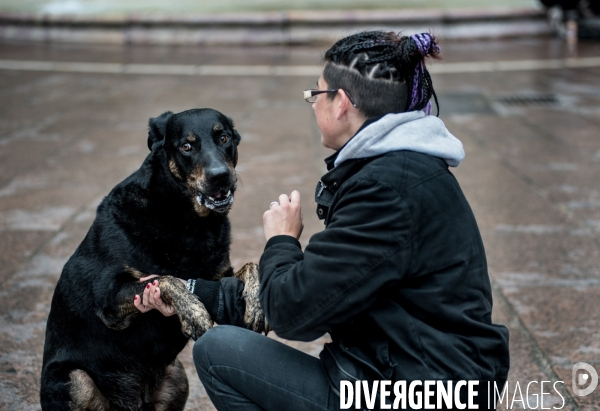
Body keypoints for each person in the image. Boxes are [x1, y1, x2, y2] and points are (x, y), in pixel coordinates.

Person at [135, 31, 510, 410]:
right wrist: (192, 291)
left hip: (422, 391)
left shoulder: (385, 191)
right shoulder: (397, 169)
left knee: (217, 351)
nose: (313, 106)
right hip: (422, 372)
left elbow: (295, 313)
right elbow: (319, 284)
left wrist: (281, 241)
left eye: (316, 95)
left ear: (341, 104)